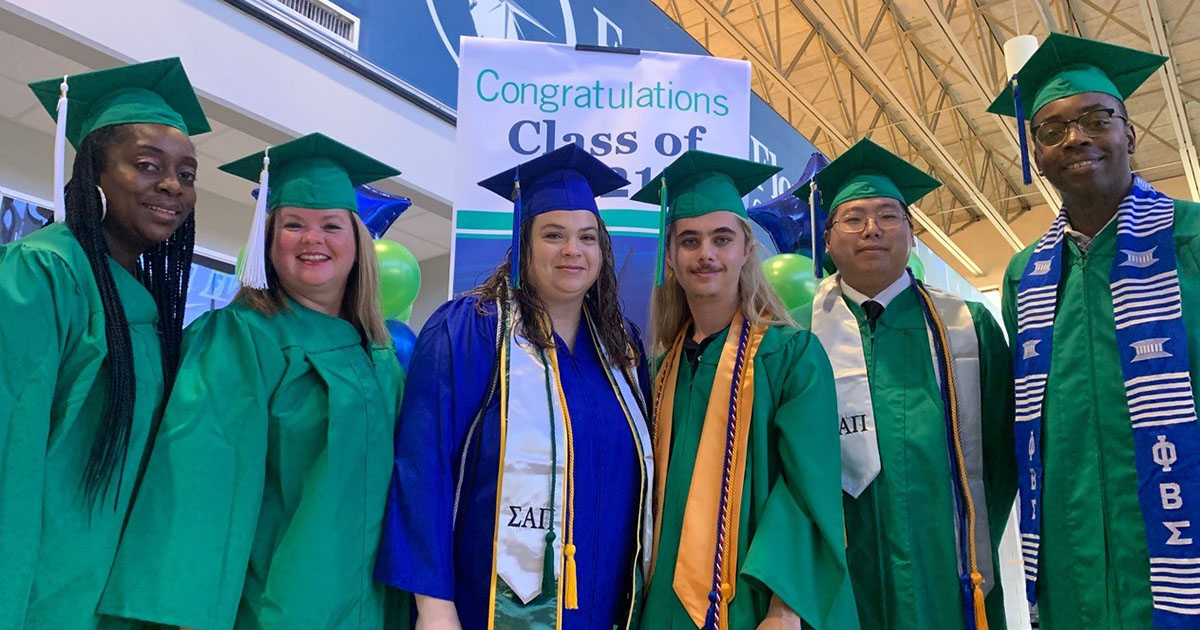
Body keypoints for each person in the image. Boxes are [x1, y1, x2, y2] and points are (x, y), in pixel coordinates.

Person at [97, 133, 406, 629]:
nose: (312, 239)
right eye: (292, 225)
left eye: (331, 225)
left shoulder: (378, 355)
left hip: (368, 606)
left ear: (357, 244)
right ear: (267, 241)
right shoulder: (239, 338)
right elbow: (198, 485)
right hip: (272, 606)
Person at [374, 143, 654, 630]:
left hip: (606, 603)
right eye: (553, 235)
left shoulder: (622, 348)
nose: (573, 251)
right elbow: (423, 466)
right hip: (485, 604)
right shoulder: (471, 329)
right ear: (523, 245)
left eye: (587, 237)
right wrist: (433, 605)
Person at [988, 33, 1200, 629]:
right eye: (1051, 130)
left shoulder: (1192, 239)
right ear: (1036, 151)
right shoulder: (1025, 273)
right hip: (1070, 543)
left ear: (1129, 132)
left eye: (1095, 119)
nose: (1075, 137)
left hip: (1183, 534)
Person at [0, 58, 209, 630]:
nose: (172, 185)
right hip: (35, 591)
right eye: (147, 165)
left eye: (187, 175)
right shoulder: (42, 273)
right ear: (94, 171)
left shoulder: (140, 302)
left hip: (103, 590)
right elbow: (8, 453)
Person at [792, 138, 1015, 629]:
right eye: (853, 218)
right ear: (827, 240)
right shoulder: (793, 336)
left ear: (912, 235)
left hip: (945, 569)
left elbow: (1001, 454)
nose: (872, 229)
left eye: (889, 216)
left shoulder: (968, 327)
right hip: (838, 574)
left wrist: (953, 533)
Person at [631, 150, 858, 630]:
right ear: (670, 257)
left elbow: (807, 487)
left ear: (746, 250)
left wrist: (784, 606)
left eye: (722, 239)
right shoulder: (657, 371)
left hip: (753, 601)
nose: (706, 254)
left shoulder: (791, 355)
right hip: (660, 604)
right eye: (689, 241)